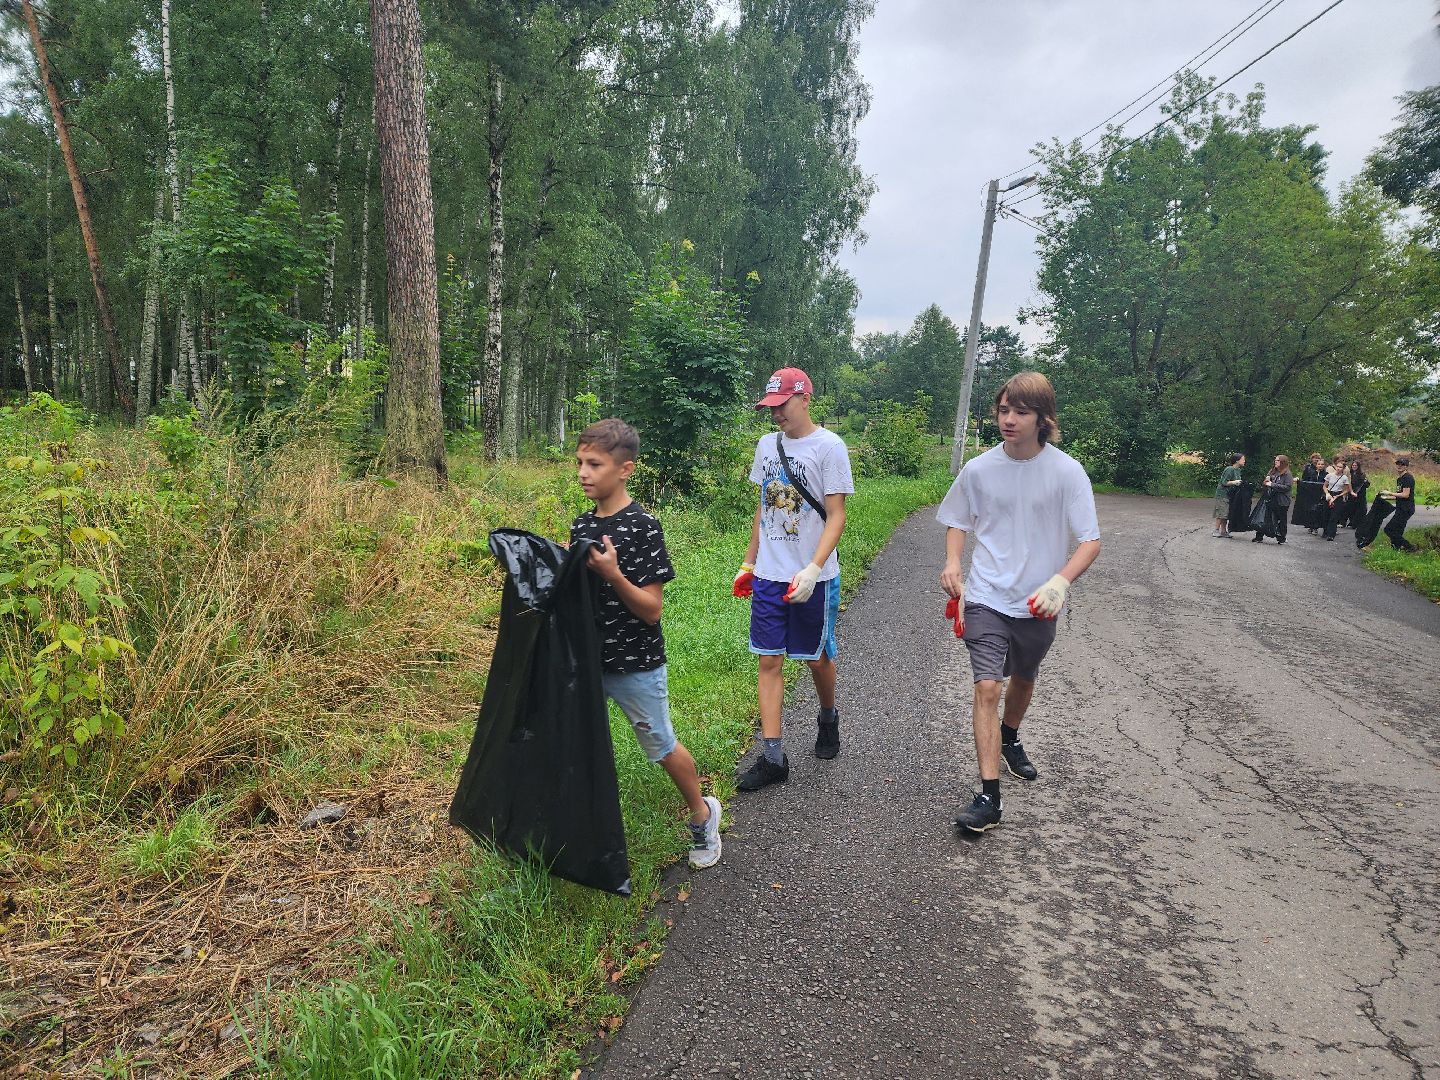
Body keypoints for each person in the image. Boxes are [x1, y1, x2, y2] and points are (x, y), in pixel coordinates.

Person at [937, 372, 1101, 834]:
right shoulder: (979, 469)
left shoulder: (1066, 472)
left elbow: (1090, 541)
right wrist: (953, 562)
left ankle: (1010, 737)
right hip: (986, 595)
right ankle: (989, 796)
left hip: (1038, 601)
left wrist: (1060, 583)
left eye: (1020, 412)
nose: (1008, 420)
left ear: (1043, 418)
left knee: (1024, 678)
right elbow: (956, 520)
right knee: (988, 687)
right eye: (1004, 410)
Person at [570, 418, 722, 869]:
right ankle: (579, 830)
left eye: (594, 464)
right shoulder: (581, 524)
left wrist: (613, 574)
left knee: (659, 745)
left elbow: (652, 610)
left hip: (634, 661)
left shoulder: (642, 527)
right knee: (577, 743)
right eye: (579, 462)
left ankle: (702, 815)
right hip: (586, 658)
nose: (583, 472)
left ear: (625, 469)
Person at [732, 367, 853, 791]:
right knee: (769, 660)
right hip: (769, 574)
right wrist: (749, 564)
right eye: (771, 407)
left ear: (804, 398)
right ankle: (772, 756)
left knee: (815, 657)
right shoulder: (767, 446)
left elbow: (836, 516)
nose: (776, 414)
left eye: (782, 405)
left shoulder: (829, 447)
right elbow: (763, 509)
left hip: (813, 578)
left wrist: (815, 568)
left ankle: (828, 716)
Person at [1379, 458, 1418, 552]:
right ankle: (1396, 549)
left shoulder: (1407, 478)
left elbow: (1405, 495)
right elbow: (1400, 496)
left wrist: (1390, 493)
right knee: (1398, 530)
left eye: (1402, 464)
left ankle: (1410, 547)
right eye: (1398, 464)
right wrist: (1385, 497)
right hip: (1401, 507)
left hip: (1406, 509)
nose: (1399, 466)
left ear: (1406, 466)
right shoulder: (1400, 479)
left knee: (1389, 529)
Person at [1253, 455, 1292, 544]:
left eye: (1278, 460)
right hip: (1270, 498)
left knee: (1281, 520)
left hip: (1281, 501)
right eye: (1275, 460)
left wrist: (1272, 484)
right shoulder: (1272, 471)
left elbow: (1287, 487)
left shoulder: (1287, 474)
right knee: (1265, 516)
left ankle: (1281, 538)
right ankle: (1259, 536)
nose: (1275, 462)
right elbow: (1265, 484)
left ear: (1283, 462)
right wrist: (1266, 482)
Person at [1213, 453, 1244, 537]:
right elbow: (1224, 482)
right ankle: (1216, 530)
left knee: (1226, 513)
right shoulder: (1229, 469)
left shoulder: (1238, 470)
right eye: (1242, 459)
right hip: (1222, 494)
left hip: (1231, 495)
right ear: (1237, 460)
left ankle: (1223, 531)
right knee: (1221, 512)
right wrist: (1234, 482)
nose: (1244, 461)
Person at [1294, 453, 1326, 534]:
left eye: (1318, 459)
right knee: (1310, 510)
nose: (1316, 460)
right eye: (1315, 458)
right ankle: (1310, 526)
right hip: (1310, 493)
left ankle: (1316, 527)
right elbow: (1304, 479)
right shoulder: (1308, 468)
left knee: (1318, 510)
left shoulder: (1325, 473)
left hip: (1319, 494)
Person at [1321, 455, 1351, 542]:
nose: (1338, 468)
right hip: (1329, 494)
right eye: (1337, 467)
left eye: (1340, 467)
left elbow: (1346, 489)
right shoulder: (1330, 475)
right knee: (1326, 514)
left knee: (1334, 516)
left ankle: (1331, 534)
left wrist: (1339, 495)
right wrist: (1327, 494)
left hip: (1338, 496)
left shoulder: (1344, 478)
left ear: (1343, 469)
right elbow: (1324, 486)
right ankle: (1325, 531)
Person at [1346, 458, 1369, 529]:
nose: (1354, 466)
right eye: (1353, 465)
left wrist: (1365, 483)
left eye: (1355, 465)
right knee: (1351, 508)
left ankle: (1358, 523)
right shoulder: (1350, 474)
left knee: (1361, 509)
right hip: (1351, 493)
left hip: (1360, 494)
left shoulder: (1362, 474)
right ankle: (1352, 522)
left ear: (1358, 466)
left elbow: (1366, 484)